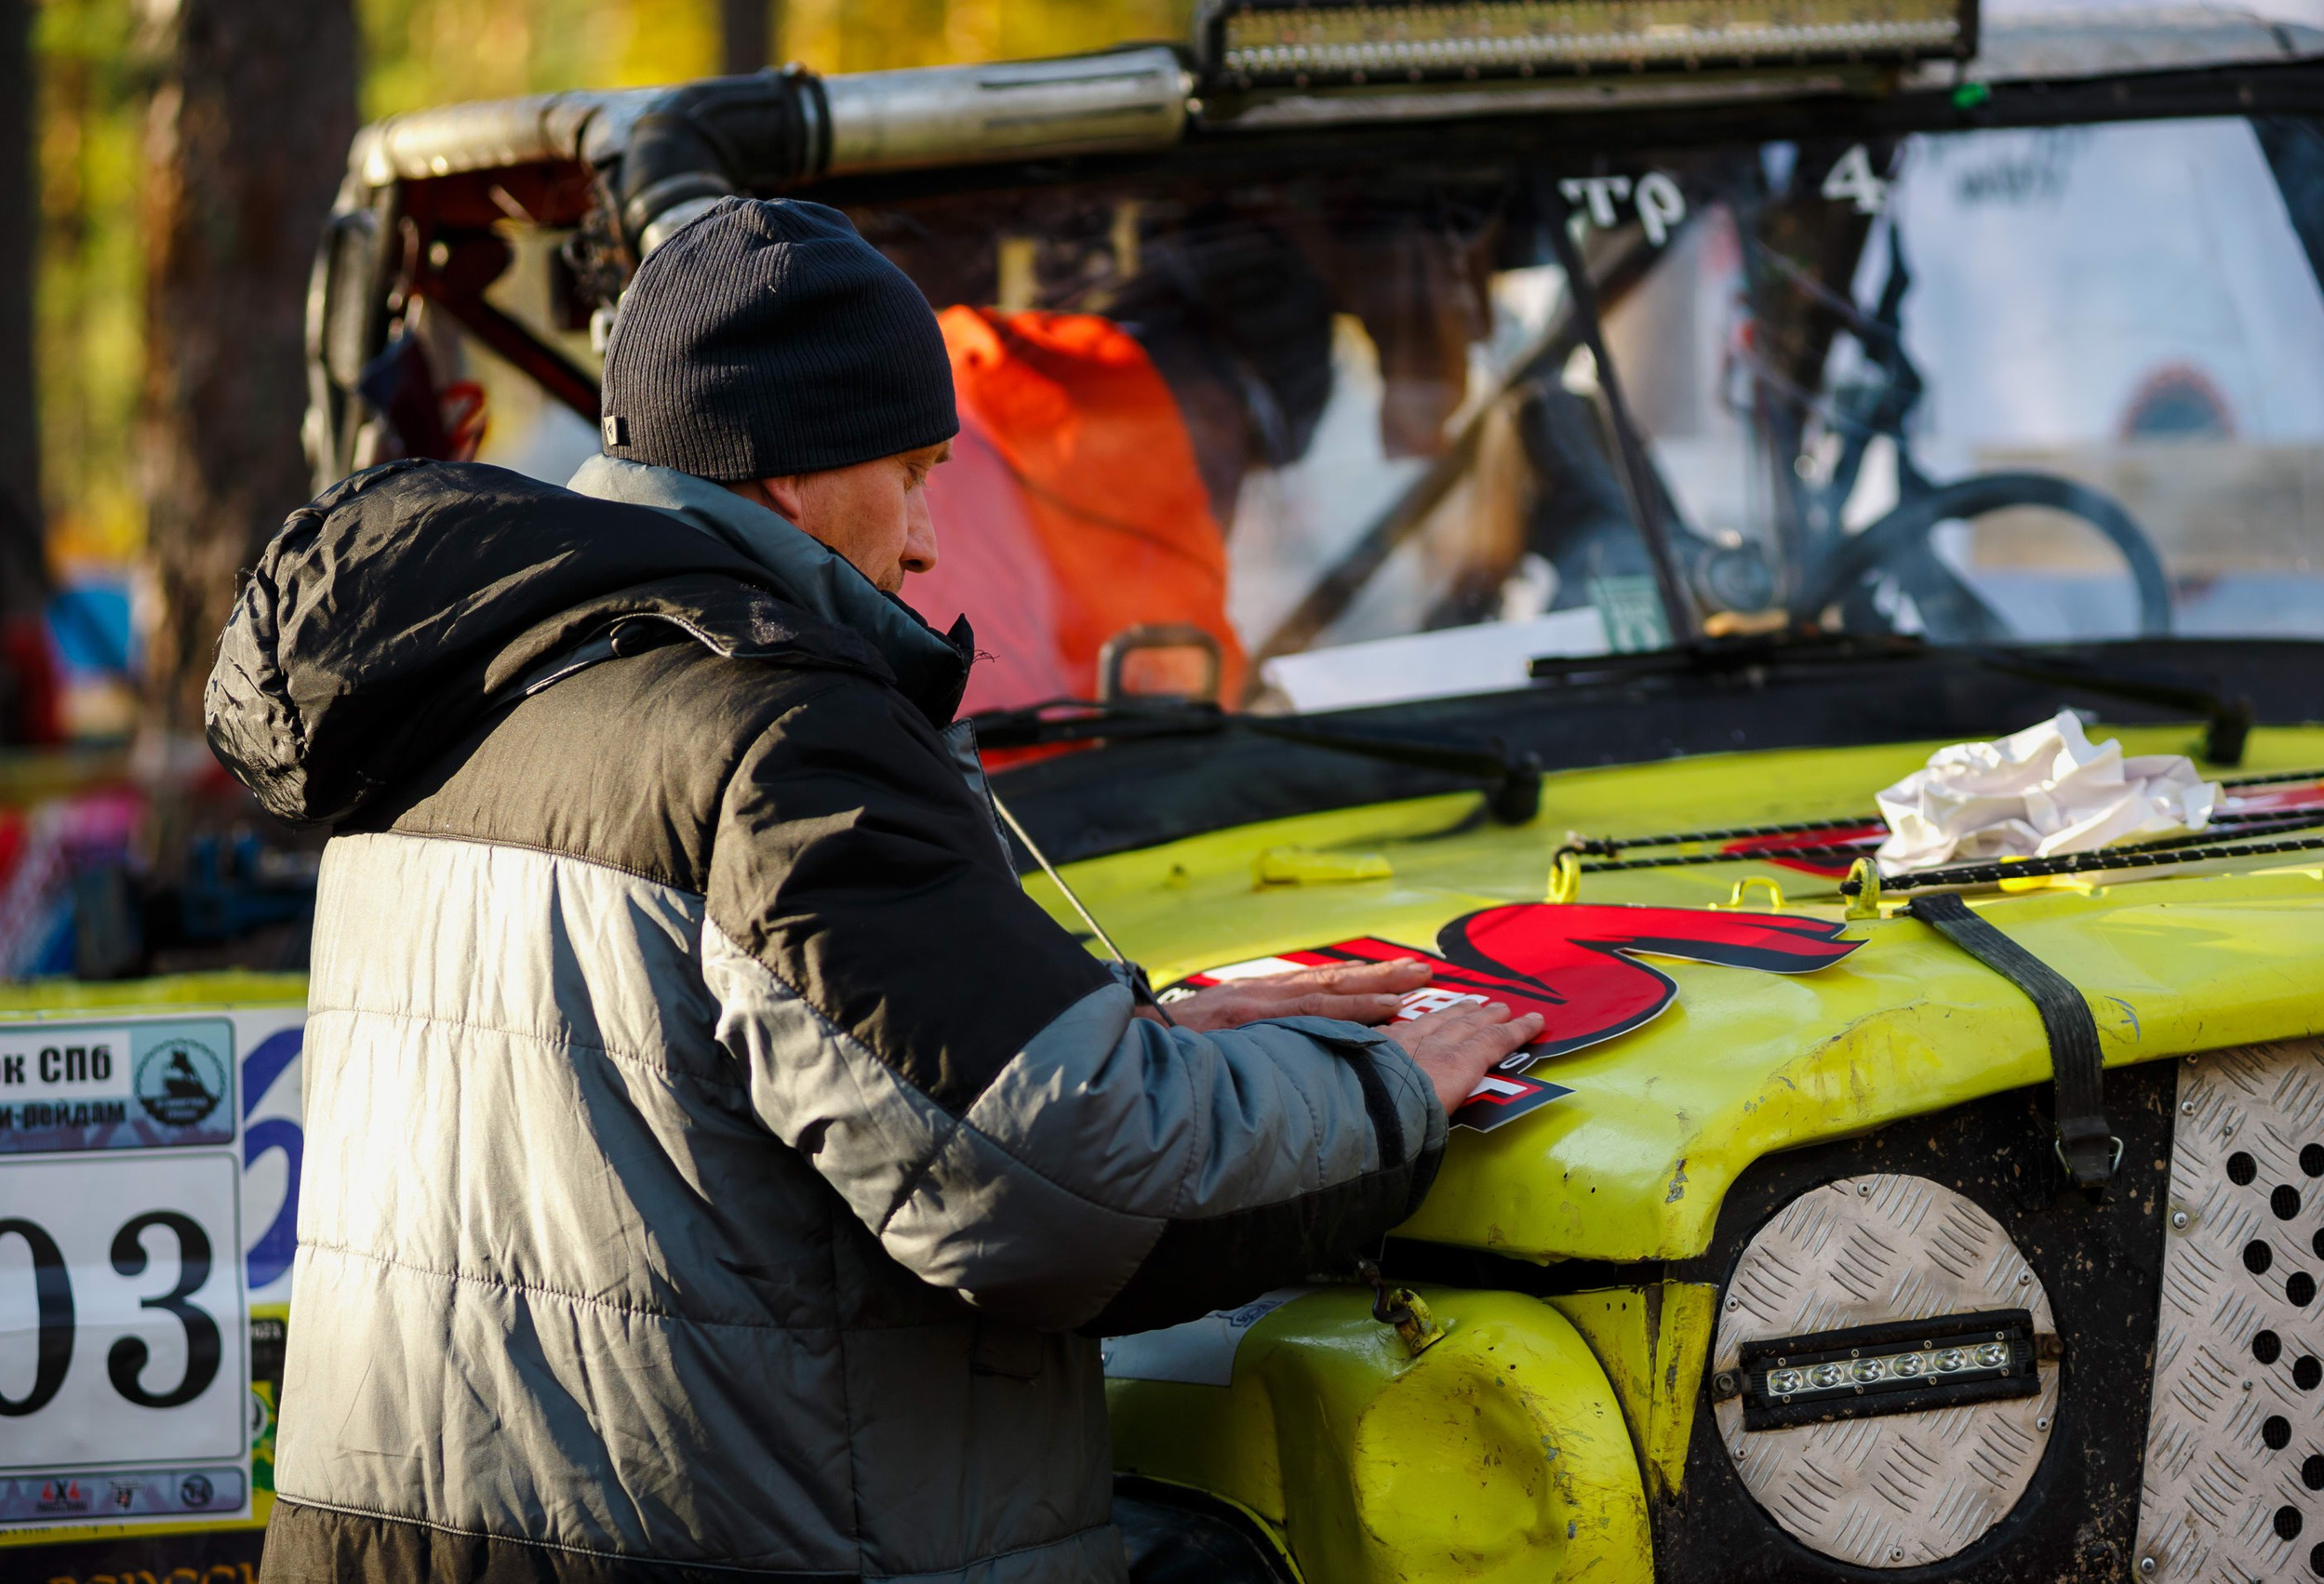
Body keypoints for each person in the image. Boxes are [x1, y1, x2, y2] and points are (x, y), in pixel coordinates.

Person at [207, 198, 1541, 1584]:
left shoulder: (439, 711)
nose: (924, 542)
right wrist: (1390, 1093)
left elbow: (708, 1091)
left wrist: (1136, 1035)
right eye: (911, 470)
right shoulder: (774, 736)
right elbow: (1061, 1184)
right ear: (790, 472)